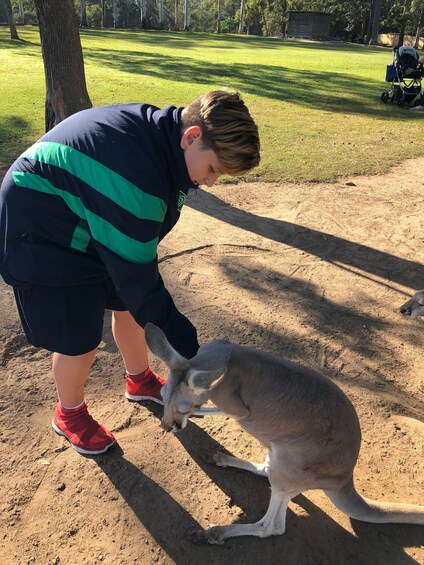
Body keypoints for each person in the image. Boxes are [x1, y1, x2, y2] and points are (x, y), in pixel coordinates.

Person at [0, 90, 260, 455]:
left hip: (88, 217)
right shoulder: (136, 181)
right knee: (79, 339)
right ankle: (68, 414)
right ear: (192, 137)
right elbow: (142, 283)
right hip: (42, 229)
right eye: (214, 169)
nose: (211, 182)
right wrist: (191, 352)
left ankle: (138, 381)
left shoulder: (163, 140)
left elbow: (136, 269)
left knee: (127, 305)